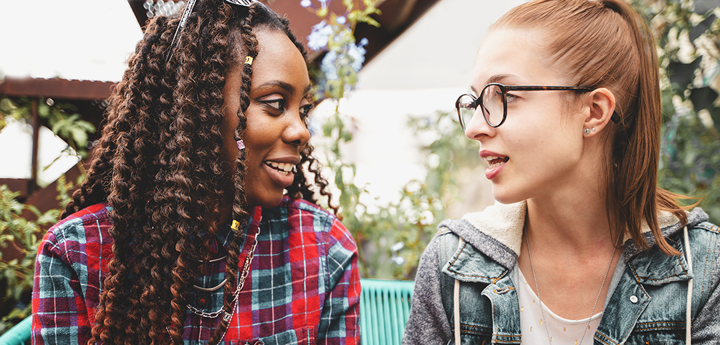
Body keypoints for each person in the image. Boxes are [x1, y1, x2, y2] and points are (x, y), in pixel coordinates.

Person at [31, 1, 360, 344]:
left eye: (303, 110)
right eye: (276, 103)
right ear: (201, 109)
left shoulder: (324, 251)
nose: (302, 131)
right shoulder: (77, 254)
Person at [403, 0, 720, 344]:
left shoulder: (702, 269)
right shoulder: (453, 264)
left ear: (594, 112)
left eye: (504, 96)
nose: (475, 127)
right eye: (477, 101)